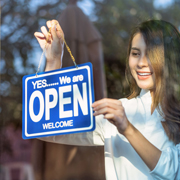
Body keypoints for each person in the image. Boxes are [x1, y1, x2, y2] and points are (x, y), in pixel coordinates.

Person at [34, 19, 180, 180]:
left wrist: (128, 129)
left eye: (151, 54)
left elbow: (173, 170)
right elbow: (46, 128)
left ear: (170, 58)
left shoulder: (121, 117)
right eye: (136, 53)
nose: (141, 63)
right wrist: (53, 61)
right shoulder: (118, 112)